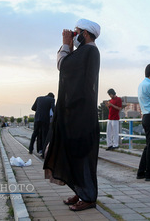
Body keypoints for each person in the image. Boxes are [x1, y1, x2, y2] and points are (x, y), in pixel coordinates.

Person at [43, 19, 101, 212]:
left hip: (81, 115)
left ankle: (89, 196)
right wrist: (68, 45)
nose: (73, 37)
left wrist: (65, 44)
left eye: (76, 33)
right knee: (75, 153)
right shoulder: (86, 52)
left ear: (85, 34)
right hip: (79, 114)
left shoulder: (88, 51)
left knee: (82, 155)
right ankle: (81, 191)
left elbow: (63, 65)